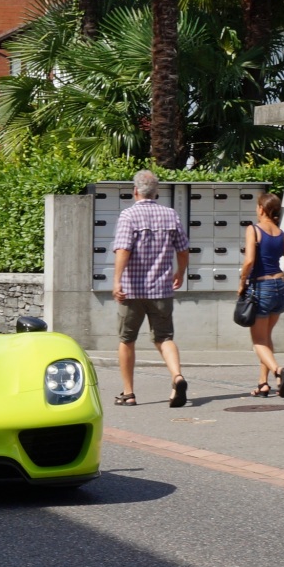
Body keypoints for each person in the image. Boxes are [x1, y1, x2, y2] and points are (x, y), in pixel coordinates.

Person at [111, 169, 190, 408]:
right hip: (162, 289)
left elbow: (123, 249)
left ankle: (128, 393)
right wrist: (180, 272)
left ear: (135, 191)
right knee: (165, 337)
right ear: (156, 193)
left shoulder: (129, 215)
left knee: (127, 339)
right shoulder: (170, 215)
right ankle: (177, 377)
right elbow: (183, 249)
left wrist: (117, 280)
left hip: (132, 290)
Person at [239, 192, 284, 398]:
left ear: (261, 208)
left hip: (262, 288)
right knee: (267, 338)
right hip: (281, 288)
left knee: (258, 342)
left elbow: (249, 261)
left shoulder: (253, 230)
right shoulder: (283, 235)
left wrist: (242, 283)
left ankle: (279, 371)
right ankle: (263, 384)